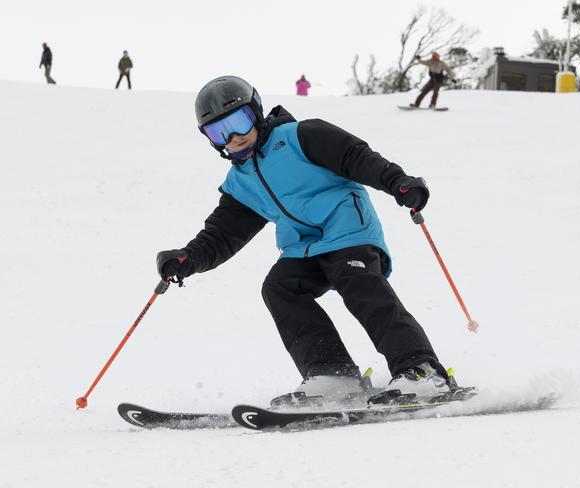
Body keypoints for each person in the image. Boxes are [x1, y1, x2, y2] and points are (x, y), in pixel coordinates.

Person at [156, 76, 451, 404]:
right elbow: (221, 235)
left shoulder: (301, 136)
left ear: (256, 113)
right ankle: (333, 375)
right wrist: (188, 259)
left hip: (347, 229)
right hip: (303, 247)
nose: (234, 138)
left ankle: (422, 371)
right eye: (218, 132)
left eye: (239, 122)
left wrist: (398, 183)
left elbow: (356, 157)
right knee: (279, 287)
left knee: (357, 281)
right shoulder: (240, 182)